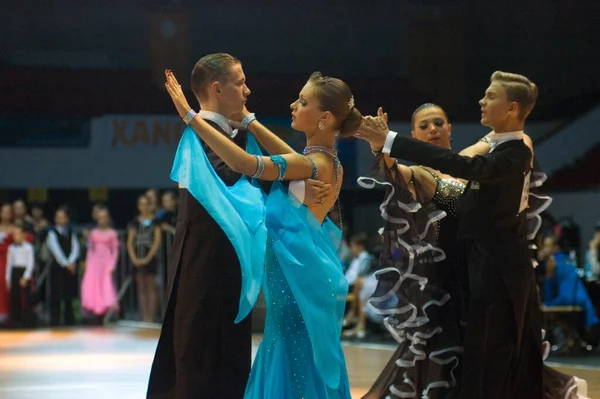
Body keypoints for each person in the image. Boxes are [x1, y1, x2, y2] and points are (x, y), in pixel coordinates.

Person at [163, 67, 361, 398]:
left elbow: (243, 163)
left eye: (303, 102)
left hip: (296, 286)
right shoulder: (326, 163)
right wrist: (251, 121)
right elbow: (293, 157)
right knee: (297, 360)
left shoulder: (312, 166)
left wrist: (189, 116)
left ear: (324, 118)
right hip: (301, 280)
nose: (293, 106)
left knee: (292, 361)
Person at [356, 71, 543, 398]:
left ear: (450, 129)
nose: (433, 130)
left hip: (480, 269)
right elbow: (395, 172)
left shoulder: (483, 155)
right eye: (424, 126)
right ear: (414, 133)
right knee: (448, 350)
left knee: (487, 349)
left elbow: (483, 149)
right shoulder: (420, 171)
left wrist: (394, 140)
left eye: (439, 123)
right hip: (447, 277)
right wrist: (383, 145)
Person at [81, 207, 120, 325]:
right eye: (100, 217)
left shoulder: (112, 233)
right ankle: (95, 312)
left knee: (105, 285)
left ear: (108, 218)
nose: (102, 220)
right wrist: (87, 263)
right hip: (94, 262)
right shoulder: (93, 233)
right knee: (94, 285)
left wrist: (112, 265)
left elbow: (115, 250)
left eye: (104, 217)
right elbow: (90, 250)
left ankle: (104, 311)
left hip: (106, 262)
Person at [127, 195, 161, 323]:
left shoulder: (155, 221)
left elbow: (157, 241)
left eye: (145, 204)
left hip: (150, 257)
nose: (143, 207)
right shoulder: (134, 222)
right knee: (141, 287)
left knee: (151, 286)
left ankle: (151, 317)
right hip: (137, 256)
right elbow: (130, 242)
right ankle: (144, 316)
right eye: (141, 204)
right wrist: (134, 258)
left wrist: (148, 258)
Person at [46, 206, 81, 326]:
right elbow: (56, 251)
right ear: (55, 219)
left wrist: (71, 261)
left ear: (67, 219)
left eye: (63, 217)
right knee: (56, 294)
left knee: (69, 294)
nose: (61, 219)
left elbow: (75, 247)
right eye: (58, 217)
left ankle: (69, 319)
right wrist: (66, 263)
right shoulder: (52, 233)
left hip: (70, 268)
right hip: (57, 268)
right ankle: (55, 319)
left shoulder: (71, 232)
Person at [5, 224, 35, 327]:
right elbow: (9, 263)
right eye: (14, 234)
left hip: (24, 271)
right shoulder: (11, 247)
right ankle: (15, 320)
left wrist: (26, 276)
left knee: (26, 297)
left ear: (23, 235)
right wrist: (7, 278)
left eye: (18, 234)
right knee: (14, 297)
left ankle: (27, 320)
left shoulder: (29, 247)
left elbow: (30, 263)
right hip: (15, 271)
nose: (16, 236)